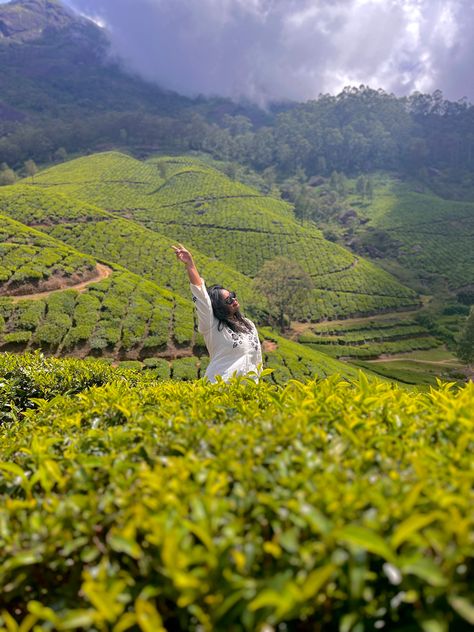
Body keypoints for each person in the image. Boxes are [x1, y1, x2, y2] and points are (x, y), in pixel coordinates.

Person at [172, 243, 262, 383]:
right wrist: (190, 264)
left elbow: (257, 359)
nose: (233, 300)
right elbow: (202, 299)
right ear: (219, 307)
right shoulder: (212, 325)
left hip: (248, 392)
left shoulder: (248, 324)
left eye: (232, 295)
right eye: (228, 300)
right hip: (220, 388)